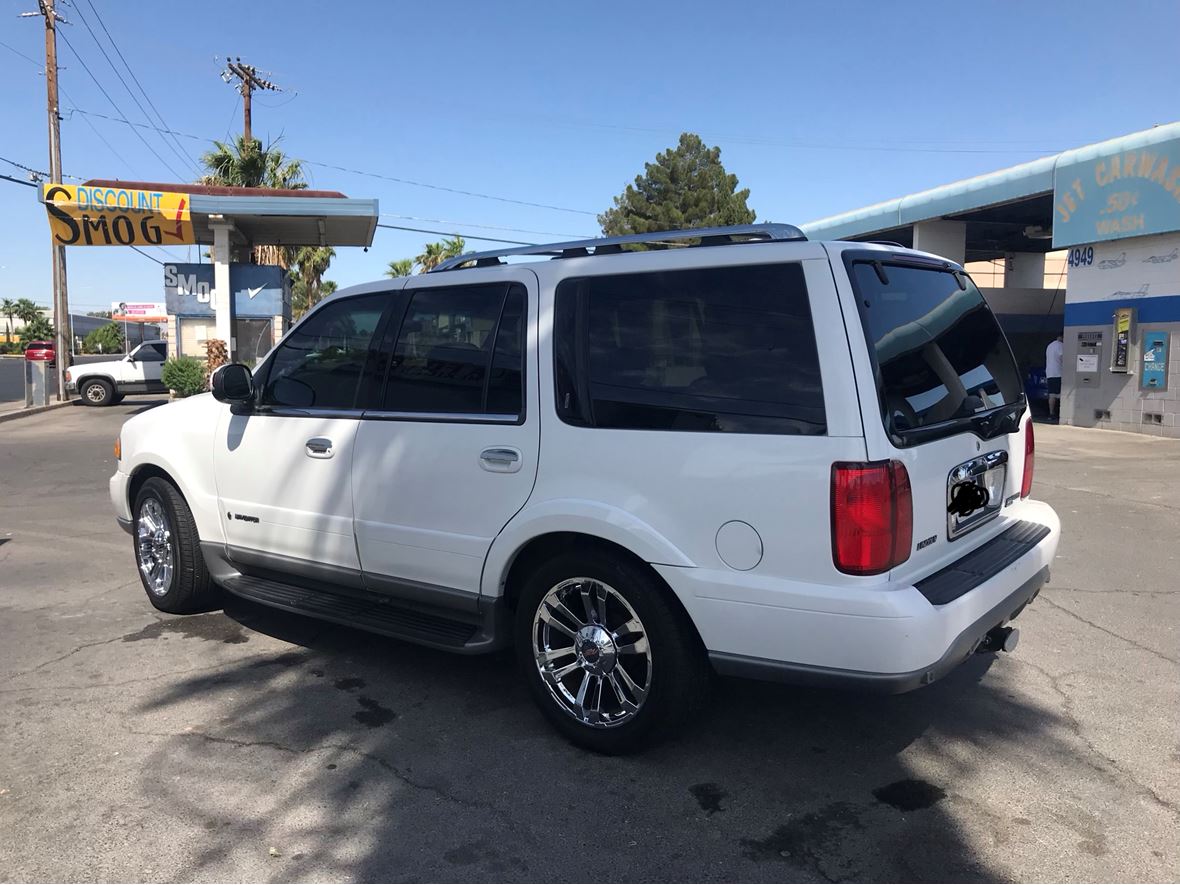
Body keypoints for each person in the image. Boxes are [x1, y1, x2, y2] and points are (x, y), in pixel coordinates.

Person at [1045, 333, 1064, 423]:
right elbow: (1063, 358)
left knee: (1052, 395)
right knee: (1061, 395)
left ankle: (1051, 413)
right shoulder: (1061, 345)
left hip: (1049, 373)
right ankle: (1061, 413)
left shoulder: (1049, 346)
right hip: (1058, 373)